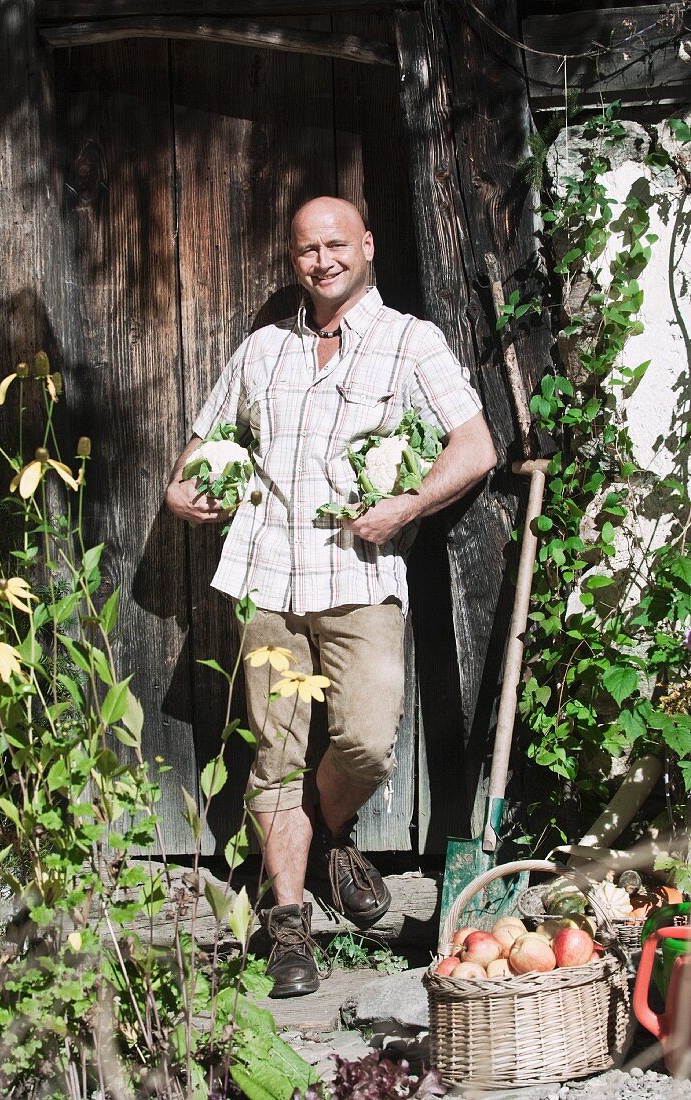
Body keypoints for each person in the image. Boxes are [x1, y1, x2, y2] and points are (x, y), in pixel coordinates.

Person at [165, 196, 496, 997]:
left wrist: (410, 504)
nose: (322, 260)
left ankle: (327, 834)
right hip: (269, 581)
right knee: (274, 758)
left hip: (359, 579)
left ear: (368, 245)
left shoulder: (411, 342)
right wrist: (182, 493)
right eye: (308, 249)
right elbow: (198, 451)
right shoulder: (260, 351)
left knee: (368, 741)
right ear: (295, 259)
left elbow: (476, 446)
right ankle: (289, 928)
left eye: (336, 244)